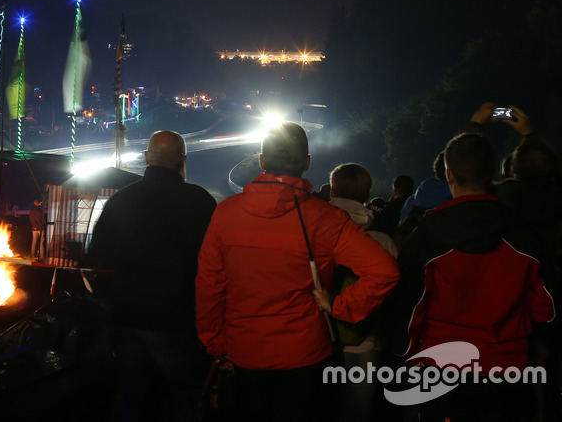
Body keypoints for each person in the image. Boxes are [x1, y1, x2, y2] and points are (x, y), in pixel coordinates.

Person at [195, 122, 399, 422]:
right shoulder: (326, 218)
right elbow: (385, 271)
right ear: (307, 163)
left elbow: (210, 285)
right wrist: (340, 305)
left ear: (262, 161)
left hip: (245, 353)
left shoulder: (225, 213)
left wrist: (217, 345)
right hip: (306, 356)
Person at [387, 132, 556, 422]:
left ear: (449, 175)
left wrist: (403, 348)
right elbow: (547, 308)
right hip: (507, 369)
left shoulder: (428, 235)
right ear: (493, 173)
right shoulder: (523, 233)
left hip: (441, 368)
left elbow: (409, 307)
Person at [89, 130, 217, 422]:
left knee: (134, 398)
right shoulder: (200, 202)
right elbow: (214, 262)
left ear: (146, 158)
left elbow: (98, 255)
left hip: (128, 317)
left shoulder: (122, 200)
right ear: (183, 161)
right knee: (184, 397)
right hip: (176, 319)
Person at [328, 163, 398, 422]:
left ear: (332, 191)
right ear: (368, 195)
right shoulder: (383, 240)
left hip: (315, 342)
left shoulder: (311, 232)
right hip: (365, 342)